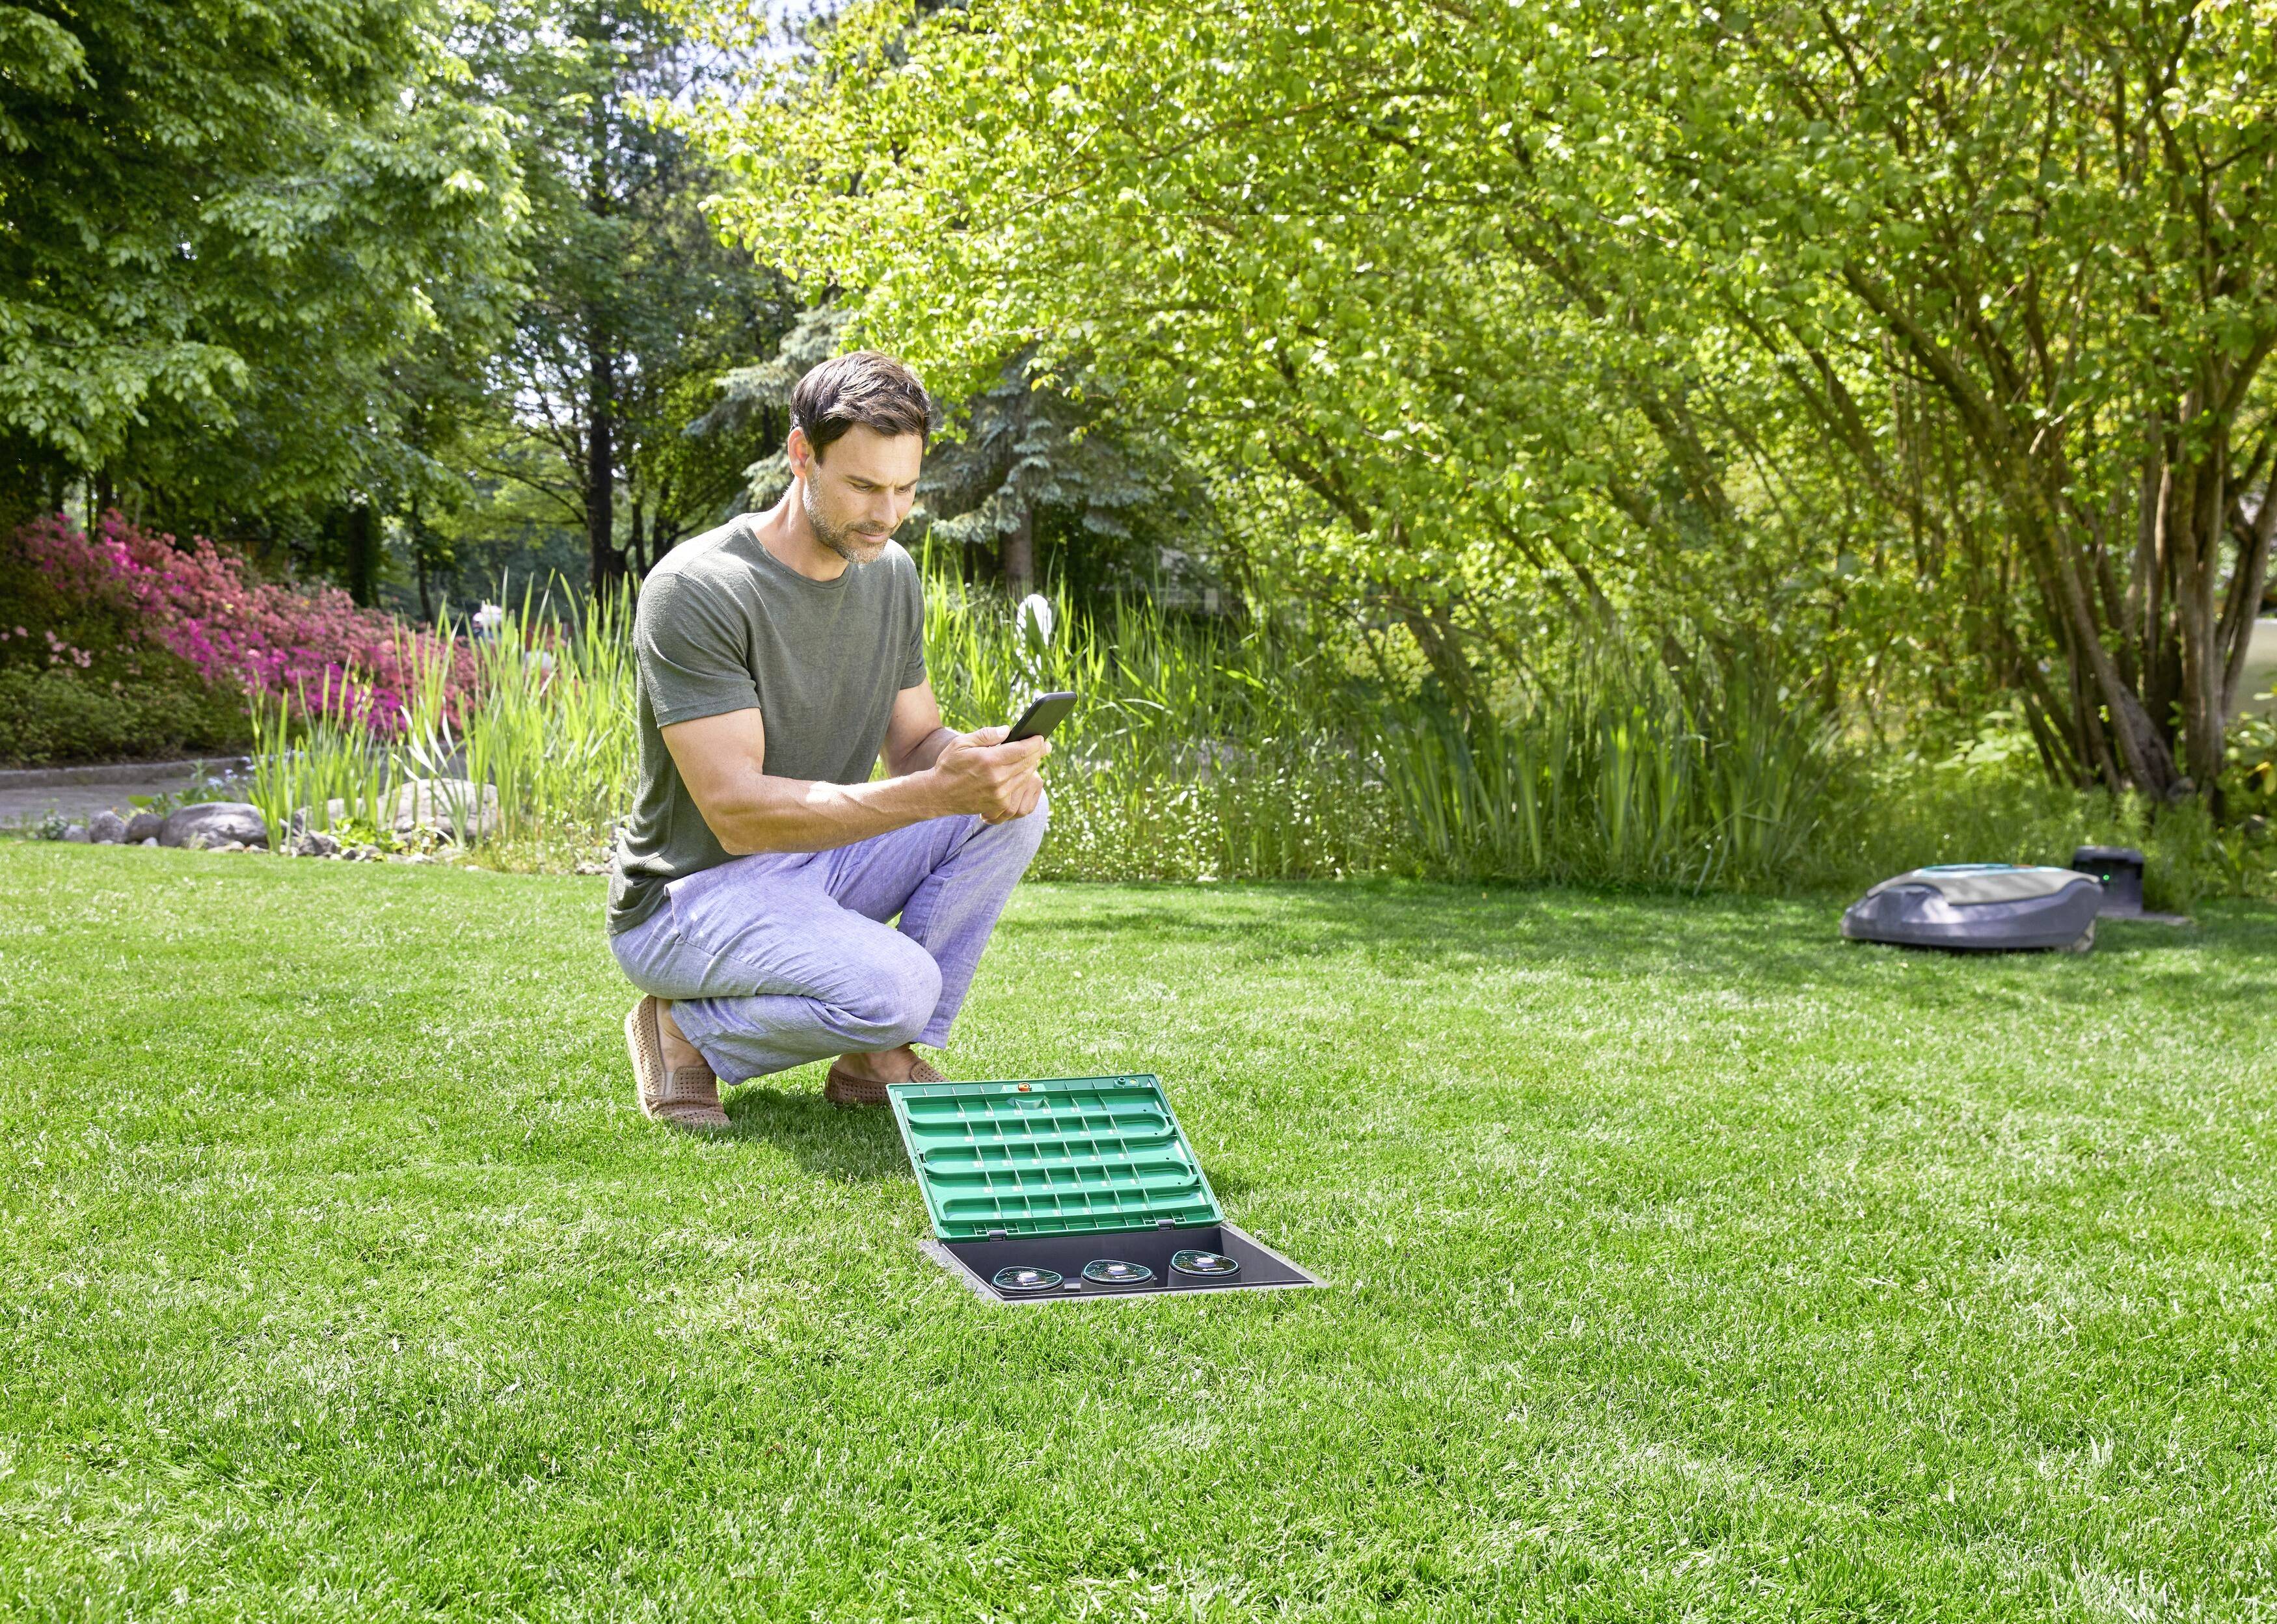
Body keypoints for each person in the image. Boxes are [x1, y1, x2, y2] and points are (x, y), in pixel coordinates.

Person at [608, 351, 1050, 1129]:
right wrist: (930, 791)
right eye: (863, 486)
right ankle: (682, 1029)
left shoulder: (890, 573)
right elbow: (737, 813)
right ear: (801, 455)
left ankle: (873, 1058)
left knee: (1016, 808)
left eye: (906, 489)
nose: (887, 513)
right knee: (899, 989)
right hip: (691, 896)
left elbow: (913, 746)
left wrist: (964, 762)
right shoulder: (699, 589)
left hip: (814, 864)